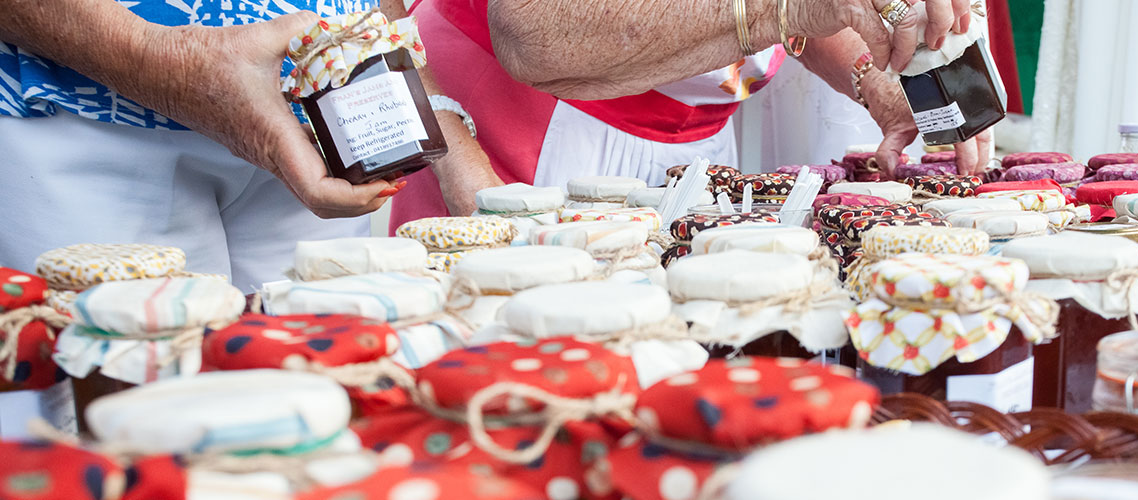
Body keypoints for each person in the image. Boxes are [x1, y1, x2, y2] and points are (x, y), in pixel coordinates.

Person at [390, 0, 996, 225]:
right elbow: (534, 33)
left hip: (697, 140)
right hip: (531, 125)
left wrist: (873, 81)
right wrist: (788, 10)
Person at [0, 0, 406, 292]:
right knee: (125, 388)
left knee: (324, 380)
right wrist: (161, 59)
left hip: (323, 110)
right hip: (80, 106)